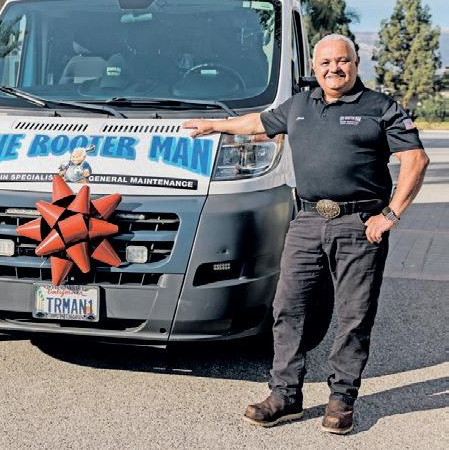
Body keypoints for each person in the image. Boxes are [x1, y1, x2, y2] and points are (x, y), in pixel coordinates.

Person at [183, 33, 429, 435]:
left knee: (354, 315)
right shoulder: (299, 104)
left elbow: (416, 160)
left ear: (355, 63)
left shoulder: (380, 107)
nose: (334, 68)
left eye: (342, 61)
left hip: (359, 224)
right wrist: (214, 124)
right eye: (325, 63)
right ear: (314, 68)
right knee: (287, 308)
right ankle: (285, 396)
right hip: (308, 220)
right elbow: (258, 123)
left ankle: (341, 399)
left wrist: (390, 214)